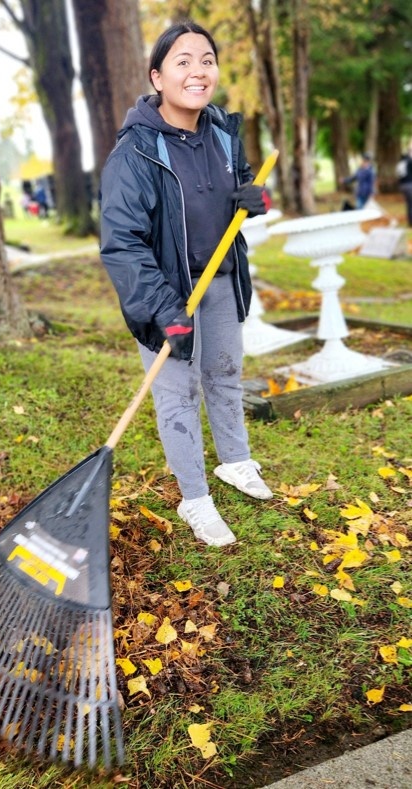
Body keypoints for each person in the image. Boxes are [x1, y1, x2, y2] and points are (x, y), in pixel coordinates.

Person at [99, 20, 273, 549]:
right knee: (178, 394)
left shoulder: (222, 131)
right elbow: (122, 243)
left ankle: (236, 462)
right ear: (157, 76)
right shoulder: (136, 153)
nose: (197, 71)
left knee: (225, 373)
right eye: (182, 61)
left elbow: (234, 186)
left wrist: (249, 199)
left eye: (206, 60)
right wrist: (162, 310)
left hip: (219, 280)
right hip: (167, 293)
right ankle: (194, 496)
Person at [396, 141, 412, 227]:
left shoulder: (401, 161)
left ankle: (410, 221)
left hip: (402, 185)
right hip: (409, 185)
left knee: (409, 204)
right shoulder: (409, 161)